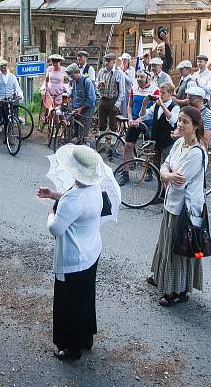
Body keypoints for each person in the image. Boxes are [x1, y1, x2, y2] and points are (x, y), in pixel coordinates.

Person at [36, 144, 104, 361]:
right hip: (91, 252)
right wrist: (54, 195)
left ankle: (70, 347)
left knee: (68, 303)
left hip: (74, 258)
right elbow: (72, 200)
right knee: (84, 299)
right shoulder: (94, 188)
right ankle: (85, 338)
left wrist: (50, 212)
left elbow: (55, 228)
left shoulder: (73, 200)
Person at [147, 106, 207, 306]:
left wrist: (167, 174)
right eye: (179, 120)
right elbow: (166, 165)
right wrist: (166, 174)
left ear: (196, 126)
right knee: (165, 242)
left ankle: (178, 290)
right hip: (172, 203)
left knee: (178, 248)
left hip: (185, 209)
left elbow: (179, 175)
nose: (180, 124)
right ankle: (162, 278)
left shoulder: (197, 153)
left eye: (185, 122)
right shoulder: (180, 143)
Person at [118, 71, 160, 178]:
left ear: (147, 78)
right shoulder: (134, 88)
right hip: (135, 122)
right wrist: (130, 118)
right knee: (128, 146)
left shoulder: (155, 90)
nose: (138, 79)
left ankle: (148, 171)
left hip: (148, 123)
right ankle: (125, 172)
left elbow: (155, 109)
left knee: (148, 149)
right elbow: (130, 105)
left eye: (141, 77)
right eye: (137, 76)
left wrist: (141, 119)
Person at [0, 60, 24, 140]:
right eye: (2, 67)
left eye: (5, 67)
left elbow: (17, 87)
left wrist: (19, 94)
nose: (3, 69)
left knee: (9, 119)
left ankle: (8, 138)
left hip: (9, 100)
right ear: (0, 67)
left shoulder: (12, 77)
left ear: (7, 67)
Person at [95, 53, 126, 133]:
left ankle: (114, 140)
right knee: (101, 121)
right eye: (105, 61)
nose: (106, 63)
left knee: (113, 122)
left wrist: (118, 103)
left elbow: (122, 90)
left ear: (114, 62)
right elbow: (96, 82)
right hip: (103, 99)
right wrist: (98, 84)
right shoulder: (101, 71)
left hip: (113, 100)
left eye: (108, 61)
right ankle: (101, 139)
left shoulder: (119, 73)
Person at [66, 63, 96, 144]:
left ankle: (86, 150)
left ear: (77, 72)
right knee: (75, 132)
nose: (71, 78)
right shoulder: (75, 81)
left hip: (86, 110)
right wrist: (69, 96)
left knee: (83, 135)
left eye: (72, 76)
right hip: (77, 109)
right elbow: (74, 92)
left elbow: (92, 99)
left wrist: (81, 109)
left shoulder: (87, 81)